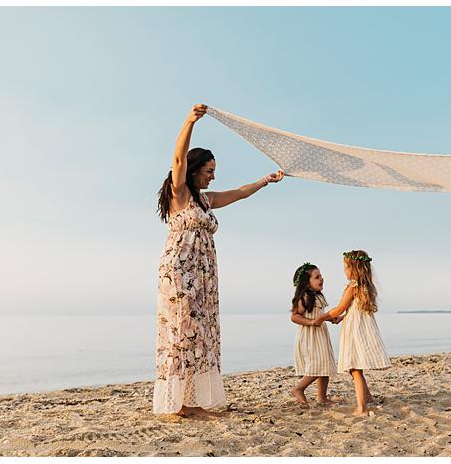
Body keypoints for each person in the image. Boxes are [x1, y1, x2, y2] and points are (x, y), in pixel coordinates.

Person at [153, 103, 284, 417]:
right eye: (209, 171)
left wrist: (266, 180)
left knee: (201, 335)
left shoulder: (206, 200)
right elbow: (177, 157)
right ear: (196, 169)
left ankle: (193, 401)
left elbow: (239, 193)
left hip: (204, 278)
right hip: (181, 274)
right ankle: (181, 405)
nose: (213, 176)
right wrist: (189, 122)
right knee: (182, 332)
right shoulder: (180, 194)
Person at [316, 250, 390, 416]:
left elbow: (340, 308)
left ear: (355, 268)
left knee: (355, 368)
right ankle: (368, 397)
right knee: (356, 367)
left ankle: (362, 408)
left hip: (356, 330)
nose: (344, 271)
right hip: (362, 328)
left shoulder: (353, 286)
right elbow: (354, 310)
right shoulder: (366, 287)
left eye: (346, 267)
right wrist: (342, 318)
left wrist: (322, 317)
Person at [289, 262, 341, 407]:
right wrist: (311, 322)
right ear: (306, 283)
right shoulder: (304, 297)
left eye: (321, 276)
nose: (321, 279)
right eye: (317, 277)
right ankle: (298, 388)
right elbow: (295, 317)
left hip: (320, 334)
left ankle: (322, 397)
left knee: (325, 365)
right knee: (317, 364)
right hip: (310, 335)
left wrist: (333, 318)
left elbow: (320, 315)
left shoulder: (318, 296)